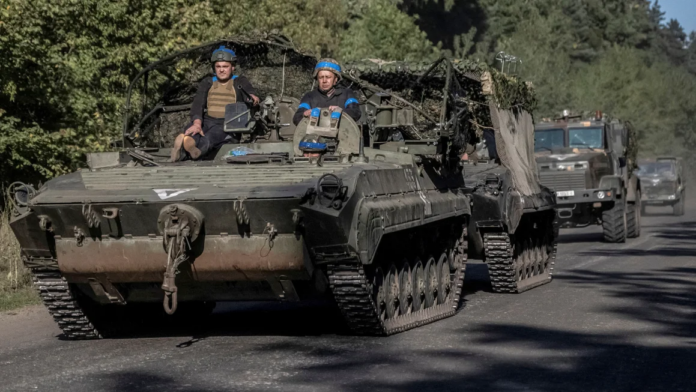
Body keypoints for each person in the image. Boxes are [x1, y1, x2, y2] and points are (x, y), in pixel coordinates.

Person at [170, 46, 260, 162]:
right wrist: (197, 124)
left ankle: (190, 148)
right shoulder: (207, 82)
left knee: (211, 137)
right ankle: (188, 145)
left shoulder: (239, 81)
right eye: (218, 66)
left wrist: (253, 98)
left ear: (232, 67)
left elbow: (250, 93)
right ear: (214, 68)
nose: (221, 70)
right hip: (208, 120)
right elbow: (198, 104)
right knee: (192, 129)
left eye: (225, 66)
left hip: (227, 126)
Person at [292, 58, 361, 126]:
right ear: (317, 79)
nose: (324, 81)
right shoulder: (309, 96)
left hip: (342, 135)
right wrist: (305, 115)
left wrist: (341, 111)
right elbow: (296, 118)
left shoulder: (346, 93)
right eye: (321, 77)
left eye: (328, 77)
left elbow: (356, 112)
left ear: (335, 79)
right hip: (314, 135)